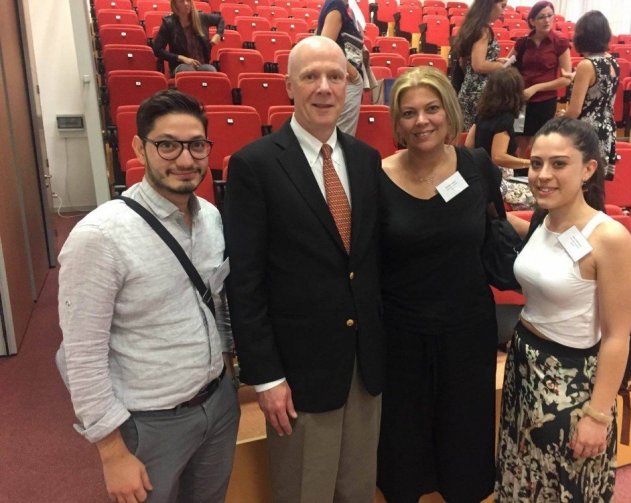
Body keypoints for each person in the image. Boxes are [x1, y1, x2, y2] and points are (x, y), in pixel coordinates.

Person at [56, 90, 240, 503]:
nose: (185, 159)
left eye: (196, 145)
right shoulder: (99, 237)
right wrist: (111, 452)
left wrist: (228, 373)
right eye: (167, 145)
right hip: (149, 423)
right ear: (140, 148)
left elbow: (216, 303)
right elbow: (80, 356)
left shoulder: (211, 218)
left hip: (217, 404)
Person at [224, 36, 384, 503]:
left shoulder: (365, 159)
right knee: (304, 492)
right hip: (297, 373)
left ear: (348, 84)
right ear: (289, 86)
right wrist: (266, 377)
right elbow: (245, 282)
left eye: (335, 76)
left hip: (364, 366)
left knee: (357, 490)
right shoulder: (254, 165)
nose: (324, 87)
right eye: (311, 76)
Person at [495, 117, 631, 501]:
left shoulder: (610, 238)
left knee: (564, 487)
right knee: (523, 477)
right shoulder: (545, 219)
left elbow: (617, 337)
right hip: (525, 368)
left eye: (559, 164)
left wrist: (597, 416)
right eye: (536, 163)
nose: (543, 175)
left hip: (571, 382)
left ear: (588, 169)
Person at [376, 66, 498, 503]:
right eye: (409, 113)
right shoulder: (376, 176)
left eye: (431, 109)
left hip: (468, 330)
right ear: (397, 123)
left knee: (464, 435)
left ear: (448, 112)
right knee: (402, 440)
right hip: (401, 334)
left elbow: (496, 230)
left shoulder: (477, 166)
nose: (421, 121)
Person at [465, 67, 535, 210]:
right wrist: (530, 163)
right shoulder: (505, 119)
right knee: (538, 196)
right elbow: (498, 157)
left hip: (480, 174)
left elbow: (468, 144)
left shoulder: (482, 114)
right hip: (497, 178)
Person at [507, 1, 571, 154]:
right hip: (522, 100)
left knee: (540, 143)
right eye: (541, 17)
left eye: (550, 16)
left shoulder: (560, 42)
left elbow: (566, 78)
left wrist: (536, 88)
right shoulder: (523, 42)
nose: (547, 20)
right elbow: (506, 66)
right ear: (532, 21)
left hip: (545, 101)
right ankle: (519, 169)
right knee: (519, 141)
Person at [563, 10, 619, 180]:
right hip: (607, 126)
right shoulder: (613, 61)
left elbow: (575, 110)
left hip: (587, 129)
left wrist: (558, 120)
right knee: (597, 181)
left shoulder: (586, 65)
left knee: (582, 181)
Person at [453, 0, 508, 131]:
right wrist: (502, 67)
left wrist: (495, 61)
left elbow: (465, 62)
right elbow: (478, 65)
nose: (503, 11)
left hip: (468, 89)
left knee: (468, 134)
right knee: (477, 136)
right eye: (502, 6)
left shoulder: (472, 26)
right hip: (479, 94)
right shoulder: (483, 30)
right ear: (490, 4)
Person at [317, 0, 365, 135]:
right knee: (341, 136)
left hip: (343, 80)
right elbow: (326, 47)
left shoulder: (338, 6)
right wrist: (353, 73)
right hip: (345, 80)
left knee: (338, 135)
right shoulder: (337, 5)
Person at [153, 0, 223, 75]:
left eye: (188, 0)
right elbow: (157, 50)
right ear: (175, 4)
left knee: (212, 71)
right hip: (180, 65)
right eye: (181, 1)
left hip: (202, 64)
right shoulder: (169, 23)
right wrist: (181, 58)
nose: (186, 3)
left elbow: (220, 19)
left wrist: (218, 34)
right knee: (188, 71)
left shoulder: (201, 17)